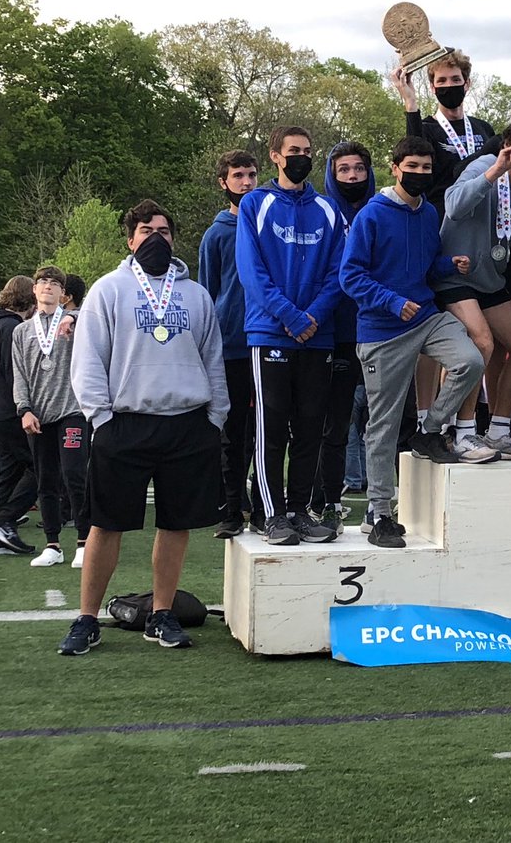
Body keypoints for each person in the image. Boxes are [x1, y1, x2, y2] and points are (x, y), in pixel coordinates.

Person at [59, 199, 228, 655]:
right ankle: (86, 618)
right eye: (147, 231)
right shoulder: (108, 289)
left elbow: (212, 357)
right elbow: (87, 359)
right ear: (130, 239)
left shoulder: (195, 294)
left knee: (176, 525)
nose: (157, 239)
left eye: (165, 231)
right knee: (105, 524)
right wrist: (101, 418)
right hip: (125, 424)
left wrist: (215, 416)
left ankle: (162, 613)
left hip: (188, 424)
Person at [340, 136, 485, 549]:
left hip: (424, 316)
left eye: (425, 167)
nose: (419, 173)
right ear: (395, 166)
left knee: (470, 360)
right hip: (382, 331)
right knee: (382, 426)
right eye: (413, 166)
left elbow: (420, 265)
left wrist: (447, 264)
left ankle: (431, 428)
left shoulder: (429, 214)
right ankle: (380, 513)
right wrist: (391, 301)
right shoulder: (372, 215)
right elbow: (350, 276)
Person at [236, 126, 345, 547]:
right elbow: (252, 272)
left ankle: (299, 511)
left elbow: (339, 273)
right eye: (293, 150)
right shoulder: (255, 204)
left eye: (307, 150)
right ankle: (271, 514)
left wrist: (313, 316)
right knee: (271, 425)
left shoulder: (329, 209)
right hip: (271, 332)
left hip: (317, 335)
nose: (301, 156)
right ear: (275, 156)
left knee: (311, 426)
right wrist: (289, 316)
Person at [434, 117, 511, 461]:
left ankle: (499, 431)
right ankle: (464, 432)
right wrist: (494, 172)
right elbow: (454, 206)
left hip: (489, 280)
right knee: (482, 343)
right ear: (508, 142)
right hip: (454, 275)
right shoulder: (484, 165)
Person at [310, 141, 377, 535]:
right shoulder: (321, 212)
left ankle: (355, 501)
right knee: (327, 424)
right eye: (344, 170)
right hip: (330, 333)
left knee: (376, 422)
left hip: (375, 331)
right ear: (331, 174)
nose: (352, 176)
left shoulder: (380, 210)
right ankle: (320, 501)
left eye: (358, 169)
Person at [10, 265, 90, 568]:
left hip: (72, 411)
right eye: (42, 282)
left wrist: (73, 316)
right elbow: (18, 374)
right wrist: (24, 409)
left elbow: (94, 319)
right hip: (38, 415)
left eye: (54, 283)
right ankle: (53, 545)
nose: (47, 287)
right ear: (34, 289)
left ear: (63, 293)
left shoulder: (74, 322)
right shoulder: (21, 331)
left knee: (75, 475)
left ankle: (84, 542)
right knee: (46, 481)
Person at [198, 149, 259, 539]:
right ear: (224, 183)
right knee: (232, 433)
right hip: (231, 349)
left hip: (269, 342)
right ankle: (232, 507)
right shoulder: (216, 234)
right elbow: (208, 294)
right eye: (238, 175)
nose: (247, 182)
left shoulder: (266, 223)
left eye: (252, 175)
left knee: (266, 432)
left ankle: (265, 503)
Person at [391, 50, 496, 218]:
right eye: (441, 80)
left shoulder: (483, 128)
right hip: (443, 220)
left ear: (467, 83)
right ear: (433, 87)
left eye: (455, 79)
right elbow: (414, 154)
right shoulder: (426, 128)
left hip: (482, 219)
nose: (448, 86)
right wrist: (410, 102)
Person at [0, 276, 39, 556]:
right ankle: (2, 522)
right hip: (10, 411)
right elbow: (16, 373)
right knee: (40, 468)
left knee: (10, 473)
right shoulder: (12, 328)